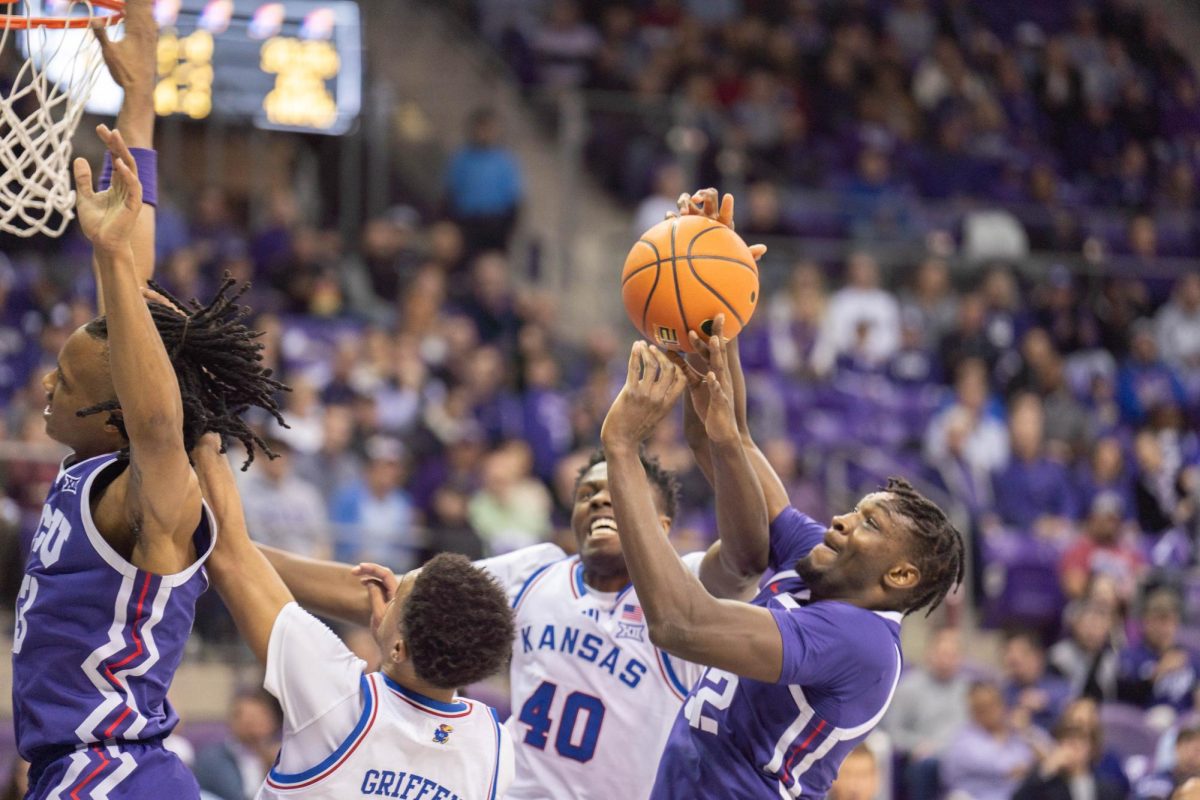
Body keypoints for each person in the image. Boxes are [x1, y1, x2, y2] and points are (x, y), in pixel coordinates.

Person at [256, 192, 778, 800]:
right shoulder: (536, 574)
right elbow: (392, 594)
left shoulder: (685, 590)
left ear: (659, 523)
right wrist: (232, 549)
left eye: (615, 491)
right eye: (587, 495)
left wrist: (712, 326)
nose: (600, 502)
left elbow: (747, 551)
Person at [12, 8, 284, 795]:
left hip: (116, 773)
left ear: (115, 412)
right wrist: (137, 96)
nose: (46, 387)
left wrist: (105, 261)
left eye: (65, 383)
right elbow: (133, 269)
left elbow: (158, 417)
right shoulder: (96, 464)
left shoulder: (153, 487)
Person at [597, 324, 964, 796]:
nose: (840, 520)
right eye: (855, 509)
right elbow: (725, 440)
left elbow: (680, 624)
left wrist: (622, 449)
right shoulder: (822, 562)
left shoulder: (861, 642)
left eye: (868, 525)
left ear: (899, 574)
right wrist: (706, 326)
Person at [190, 435, 515, 799]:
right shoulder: (494, 743)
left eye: (395, 598)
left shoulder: (338, 695)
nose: (379, 601)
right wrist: (396, 627)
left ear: (399, 648)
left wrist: (206, 434)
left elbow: (230, 556)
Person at [881, 626, 969, 798]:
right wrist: (915, 745)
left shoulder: (970, 690)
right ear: (930, 653)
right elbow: (891, 731)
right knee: (927, 765)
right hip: (927, 758)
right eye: (942, 653)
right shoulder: (909, 687)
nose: (947, 660)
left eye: (952, 655)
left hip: (963, 757)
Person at [940, 682, 1041, 800]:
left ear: (1003, 705)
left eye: (993, 705)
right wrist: (1039, 768)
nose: (990, 712)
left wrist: (1026, 732)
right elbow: (1011, 768)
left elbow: (1051, 756)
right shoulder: (965, 741)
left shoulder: (1021, 731)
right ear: (972, 711)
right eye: (981, 708)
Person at [192, 689, 283, 800]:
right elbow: (236, 796)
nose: (254, 726)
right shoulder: (213, 757)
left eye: (260, 717)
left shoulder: (277, 755)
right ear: (233, 722)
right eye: (249, 719)